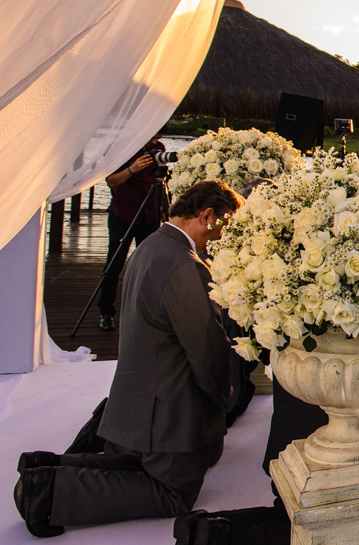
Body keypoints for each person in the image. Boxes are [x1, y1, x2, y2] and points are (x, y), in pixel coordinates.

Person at [14, 181, 242, 538]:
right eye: (223, 228)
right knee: (173, 493)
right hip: (167, 409)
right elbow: (205, 348)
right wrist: (224, 395)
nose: (220, 240)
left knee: (137, 465)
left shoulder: (151, 245)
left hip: (136, 401)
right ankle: (50, 492)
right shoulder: (185, 266)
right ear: (207, 216)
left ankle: (50, 467)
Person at [97, 133, 168, 330]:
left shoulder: (159, 148)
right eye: (152, 136)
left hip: (150, 213)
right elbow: (111, 181)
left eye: (158, 137)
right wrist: (132, 169)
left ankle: (146, 313)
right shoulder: (120, 148)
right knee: (115, 263)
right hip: (124, 213)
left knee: (149, 265)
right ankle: (105, 312)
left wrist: (163, 208)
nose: (154, 141)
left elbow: (162, 181)